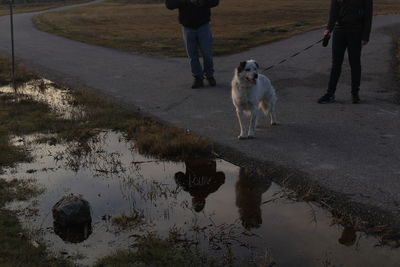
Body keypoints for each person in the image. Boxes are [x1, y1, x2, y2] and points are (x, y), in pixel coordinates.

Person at [318, 0, 373, 104]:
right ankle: (330, 94)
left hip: (356, 32)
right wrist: (328, 29)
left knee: (355, 63)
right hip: (339, 31)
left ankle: (355, 93)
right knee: (336, 64)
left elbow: (368, 16)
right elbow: (334, 12)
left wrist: (366, 35)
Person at [165, 0, 219, 89]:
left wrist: (202, 2)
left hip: (203, 25)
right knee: (192, 55)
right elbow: (169, 5)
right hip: (187, 27)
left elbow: (215, 2)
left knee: (207, 53)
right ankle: (198, 77)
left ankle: (209, 75)